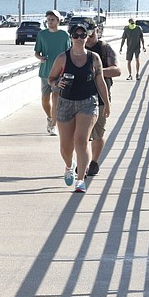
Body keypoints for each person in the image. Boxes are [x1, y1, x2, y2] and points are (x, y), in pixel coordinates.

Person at [48, 22, 110, 193]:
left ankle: (81, 179)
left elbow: (100, 80)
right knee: (65, 146)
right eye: (75, 35)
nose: (79, 38)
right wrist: (57, 82)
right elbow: (51, 79)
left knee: (81, 140)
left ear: (87, 36)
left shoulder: (94, 58)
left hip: (88, 102)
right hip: (65, 103)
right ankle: (69, 166)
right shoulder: (63, 58)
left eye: (83, 35)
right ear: (71, 37)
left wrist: (107, 103)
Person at [84, 20, 121, 176]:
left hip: (100, 98)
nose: (88, 37)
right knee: (81, 136)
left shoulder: (105, 48)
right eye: (86, 34)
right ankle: (82, 163)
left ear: (97, 31)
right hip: (79, 99)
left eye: (91, 33)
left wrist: (97, 72)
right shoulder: (77, 48)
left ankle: (93, 162)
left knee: (98, 134)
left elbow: (117, 70)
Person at [35, 10, 71, 135]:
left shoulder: (64, 35)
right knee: (45, 99)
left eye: (53, 19)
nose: (50, 22)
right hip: (45, 72)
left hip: (59, 74)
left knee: (55, 98)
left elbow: (68, 53)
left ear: (58, 21)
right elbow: (37, 52)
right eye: (48, 19)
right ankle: (50, 118)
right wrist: (41, 58)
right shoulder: (41, 35)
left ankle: (54, 125)